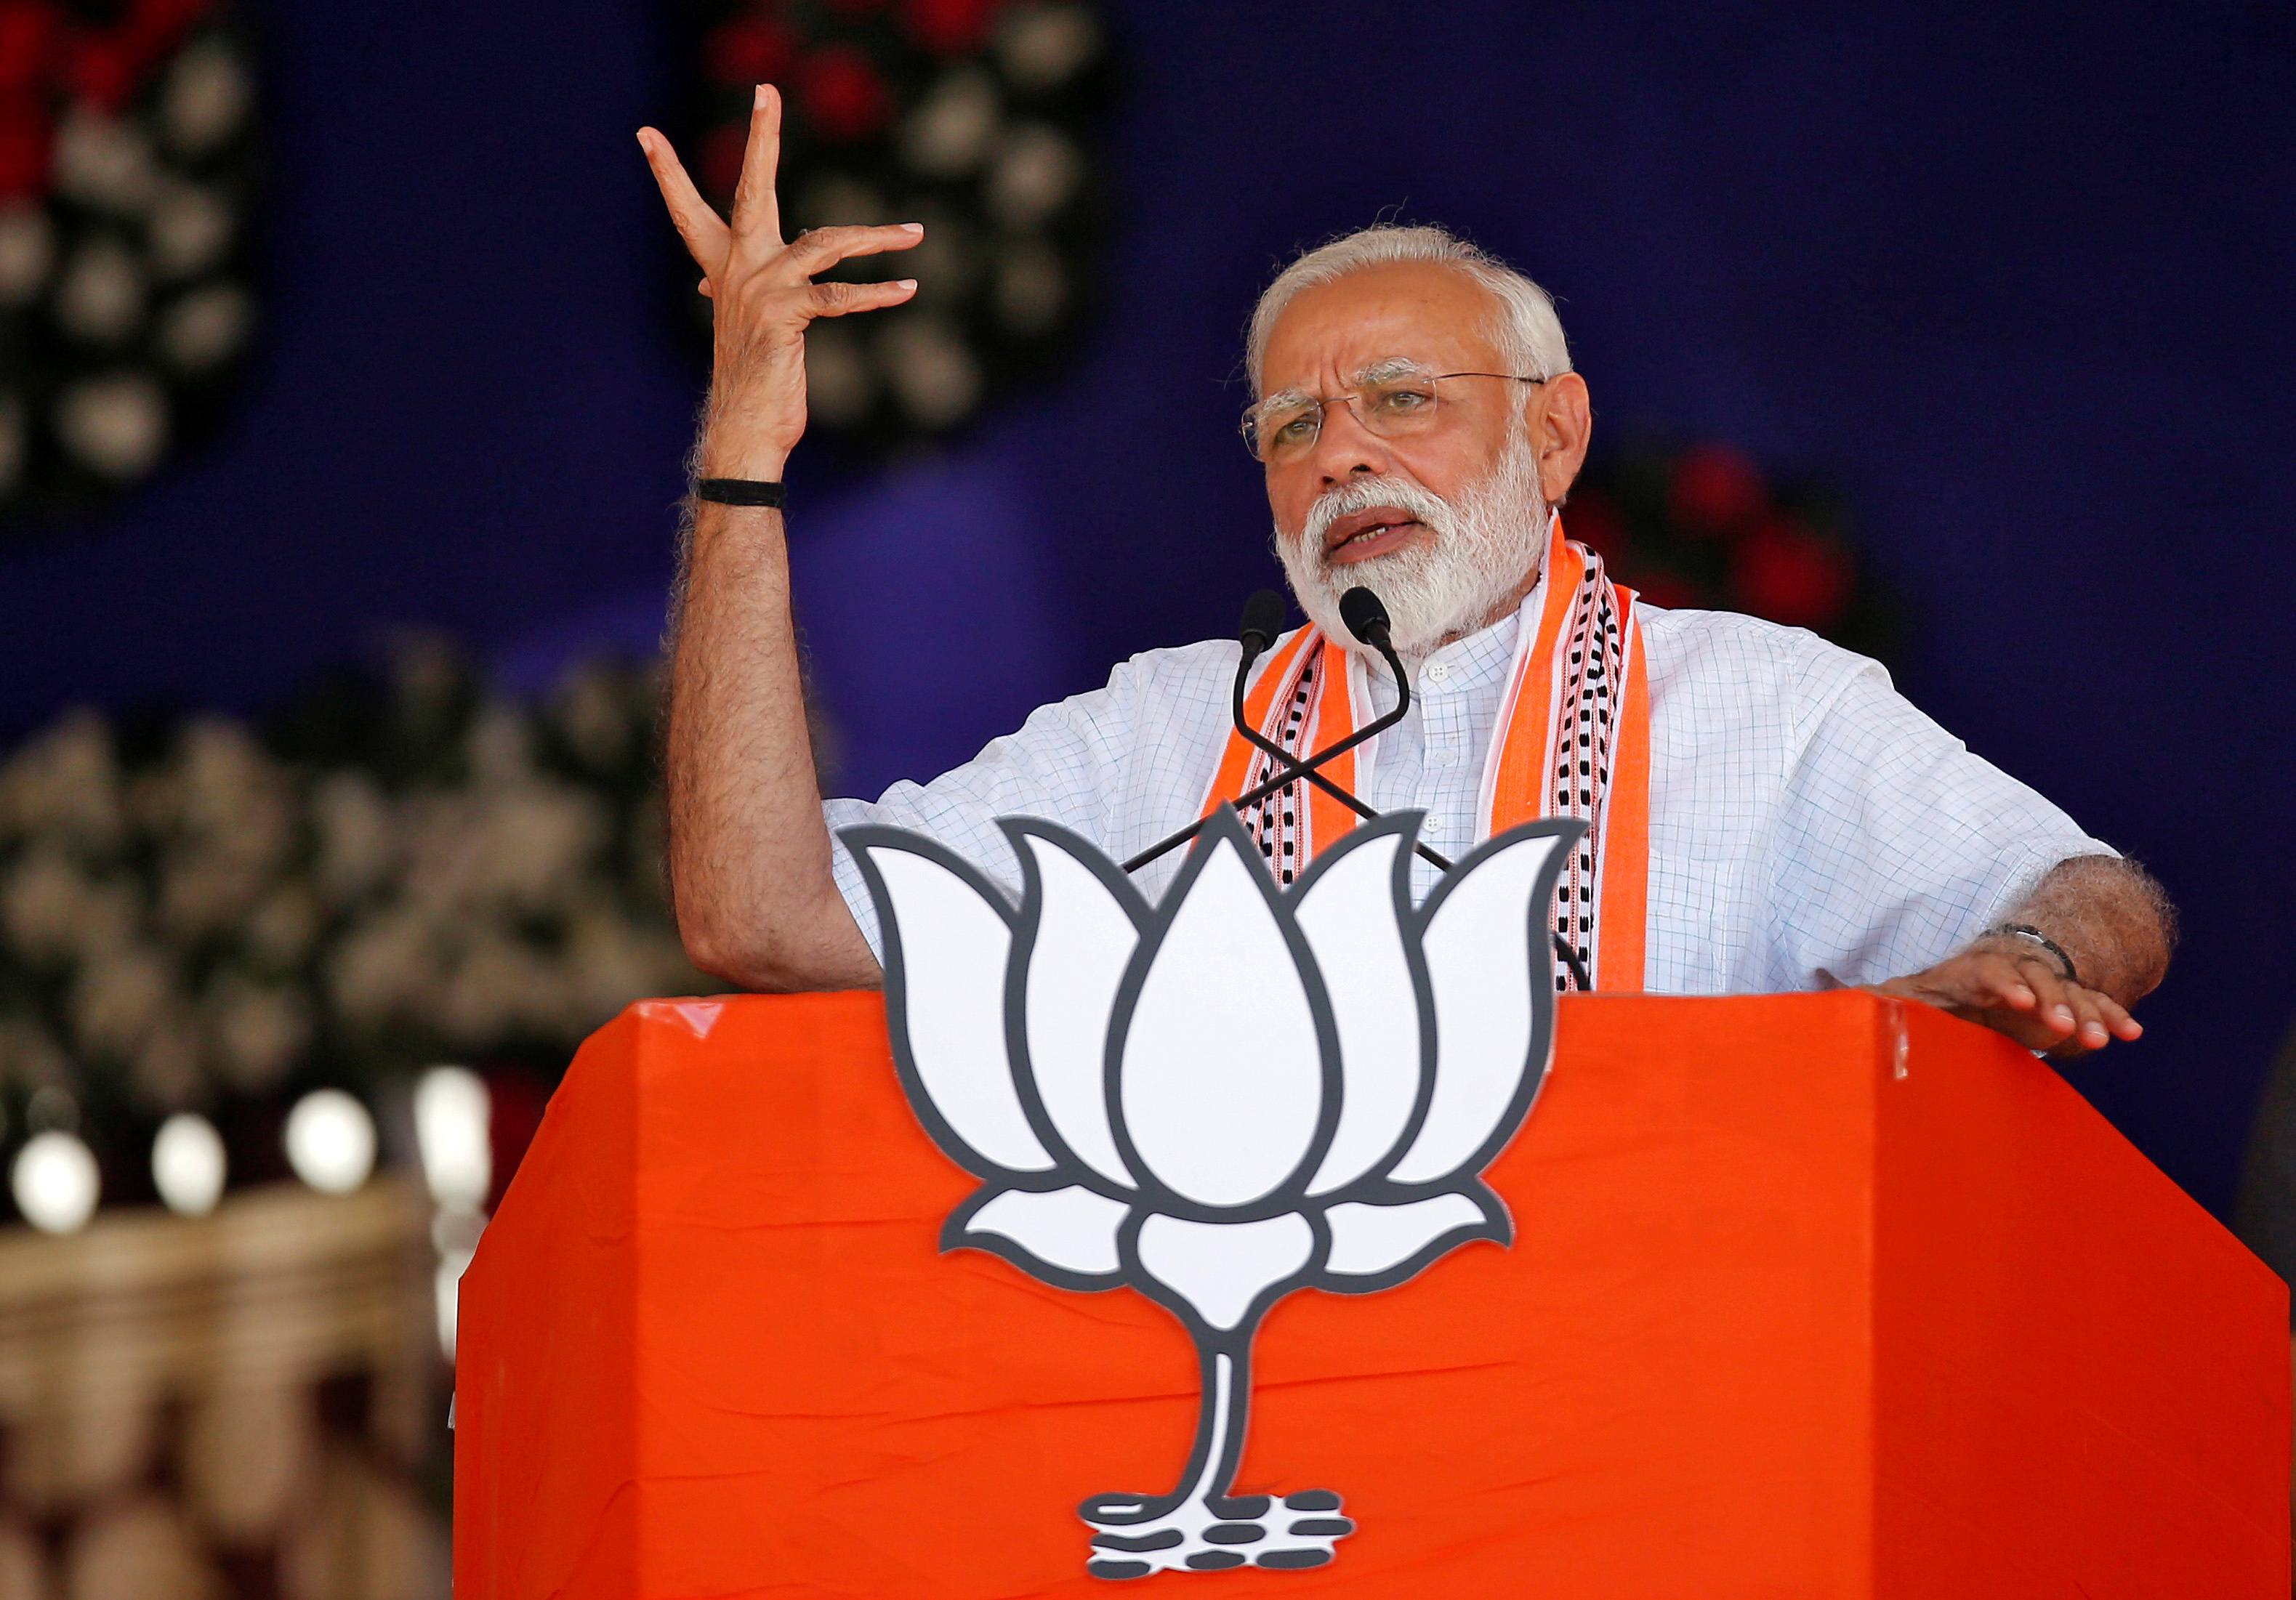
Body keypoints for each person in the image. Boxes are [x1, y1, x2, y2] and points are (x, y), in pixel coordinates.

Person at [637, 87, 2172, 1056]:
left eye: (1401, 400)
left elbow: (2099, 896)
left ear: (1554, 435)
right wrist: (741, 460)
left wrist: (2018, 960)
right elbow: (768, 921)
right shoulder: (1162, 740)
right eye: (1291, 423)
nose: (1340, 456)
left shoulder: (1760, 707)